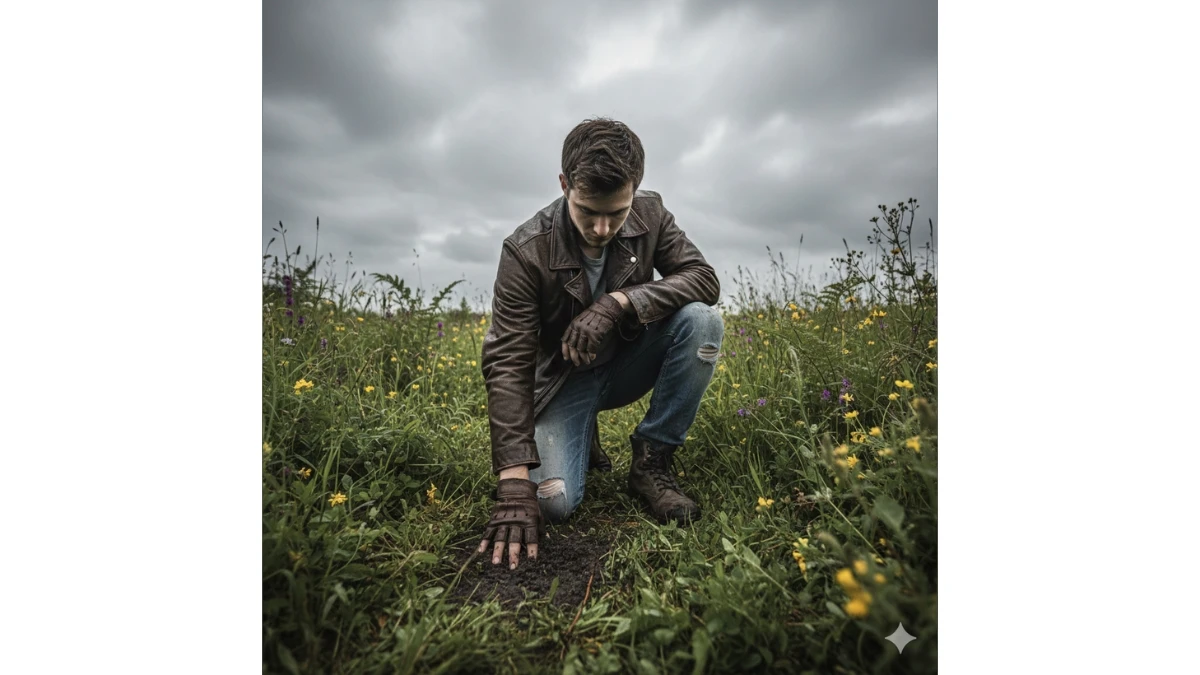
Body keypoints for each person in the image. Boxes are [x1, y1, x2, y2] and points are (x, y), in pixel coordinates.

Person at [477, 117, 724, 571]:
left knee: (703, 321)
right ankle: (581, 430)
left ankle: (651, 464)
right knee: (553, 503)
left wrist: (618, 302)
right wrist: (513, 481)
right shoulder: (525, 250)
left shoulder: (652, 214)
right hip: (564, 382)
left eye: (617, 212)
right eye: (588, 211)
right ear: (565, 184)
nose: (603, 228)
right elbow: (508, 360)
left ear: (636, 188)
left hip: (628, 363)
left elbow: (704, 280)